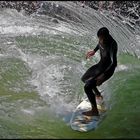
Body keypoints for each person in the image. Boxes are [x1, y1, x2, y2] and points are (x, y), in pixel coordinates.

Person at [81, 27, 118, 116]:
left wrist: (103, 76)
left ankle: (94, 111)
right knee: (84, 79)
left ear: (106, 37)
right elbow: (99, 45)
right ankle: (98, 95)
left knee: (87, 87)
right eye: (99, 38)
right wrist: (94, 51)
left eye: (101, 38)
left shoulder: (112, 45)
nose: (99, 40)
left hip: (107, 70)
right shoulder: (102, 39)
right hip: (100, 65)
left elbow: (114, 63)